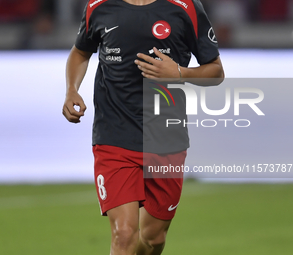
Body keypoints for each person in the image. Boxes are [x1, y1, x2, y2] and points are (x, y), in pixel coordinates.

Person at [63, 0, 224, 254]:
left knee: (153, 237)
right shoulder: (99, 6)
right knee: (124, 234)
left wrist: (180, 73)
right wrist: (72, 90)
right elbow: (80, 52)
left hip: (165, 138)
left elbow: (216, 72)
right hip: (113, 134)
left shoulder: (185, 7)